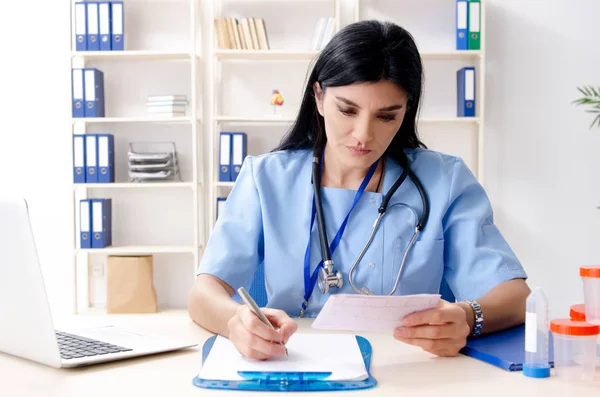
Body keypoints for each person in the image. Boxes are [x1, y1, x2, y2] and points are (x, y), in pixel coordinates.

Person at [188, 19, 530, 360]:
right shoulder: (265, 179)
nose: (363, 134)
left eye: (386, 116)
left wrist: (469, 317)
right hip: (294, 361)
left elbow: (516, 296)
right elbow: (204, 294)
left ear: (406, 111)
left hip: (409, 367)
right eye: (347, 110)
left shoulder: (444, 181)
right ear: (319, 97)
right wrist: (237, 321)